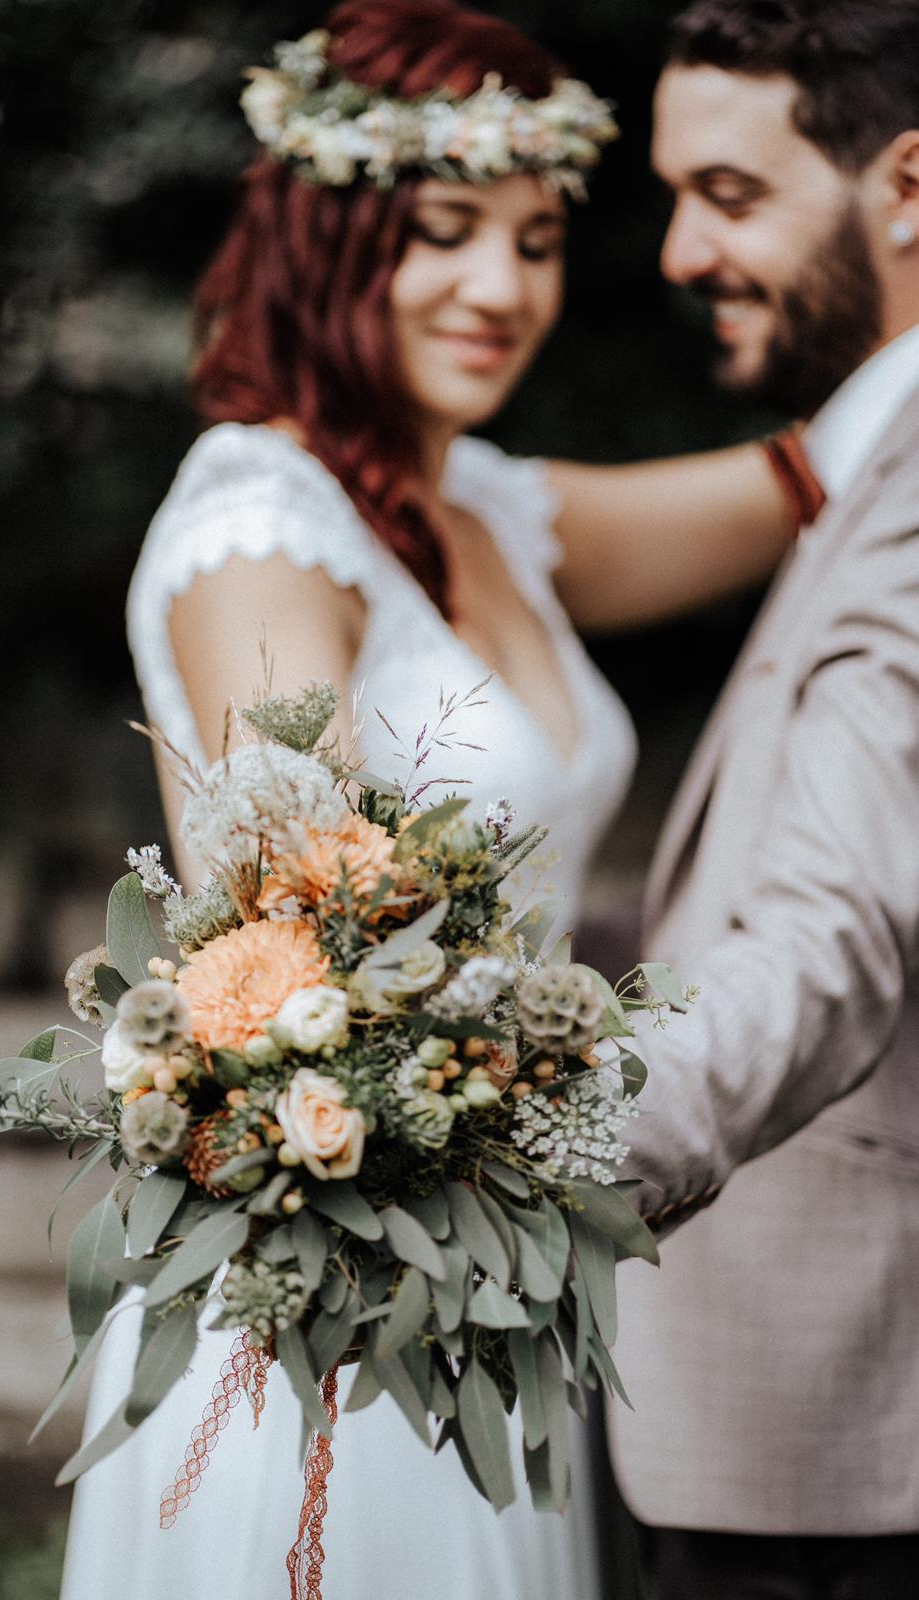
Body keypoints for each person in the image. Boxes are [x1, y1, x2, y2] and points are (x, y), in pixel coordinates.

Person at [60, 4, 814, 1596]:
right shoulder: (263, 519)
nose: (502, 288)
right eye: (443, 234)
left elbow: (804, 484)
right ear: (325, 239)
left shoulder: (479, 503)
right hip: (336, 1286)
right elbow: (312, 960)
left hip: (482, 1260)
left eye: (538, 240)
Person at [605, 3, 919, 1596]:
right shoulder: (858, 472)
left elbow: (832, 934)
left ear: (908, 187)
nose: (674, 250)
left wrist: (545, 1134)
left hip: (842, 1441)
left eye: (730, 194)